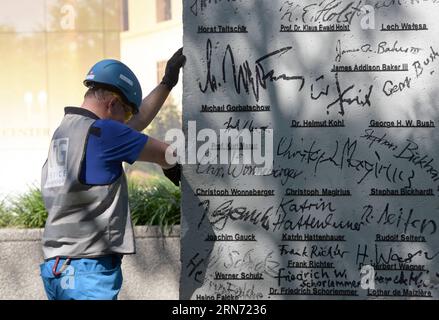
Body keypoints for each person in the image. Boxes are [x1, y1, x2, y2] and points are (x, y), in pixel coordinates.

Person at [39, 48, 185, 300]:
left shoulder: (66, 132)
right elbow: (166, 154)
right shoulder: (104, 133)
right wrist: (171, 166)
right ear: (113, 104)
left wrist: (167, 83)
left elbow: (130, 127)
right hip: (88, 271)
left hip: (57, 269)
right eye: (127, 112)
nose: (128, 120)